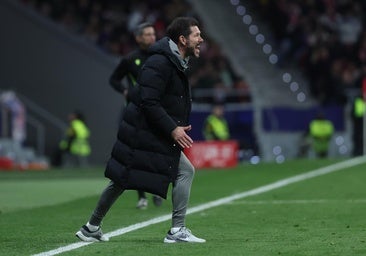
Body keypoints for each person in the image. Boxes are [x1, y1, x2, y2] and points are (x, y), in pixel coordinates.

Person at [75, 16, 206, 243]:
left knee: (122, 178)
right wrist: (172, 128)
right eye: (196, 35)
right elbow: (149, 101)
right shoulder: (161, 62)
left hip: (148, 131)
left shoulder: (173, 60)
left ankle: (91, 228)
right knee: (182, 172)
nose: (201, 39)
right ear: (183, 39)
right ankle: (177, 231)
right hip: (144, 133)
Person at [109, 22, 162, 209]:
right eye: (147, 34)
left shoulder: (160, 56)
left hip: (157, 112)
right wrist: (124, 90)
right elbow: (113, 79)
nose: (152, 37)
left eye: (153, 33)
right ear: (138, 38)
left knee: (156, 153)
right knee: (136, 154)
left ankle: (157, 191)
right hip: (136, 112)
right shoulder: (130, 59)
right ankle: (142, 196)